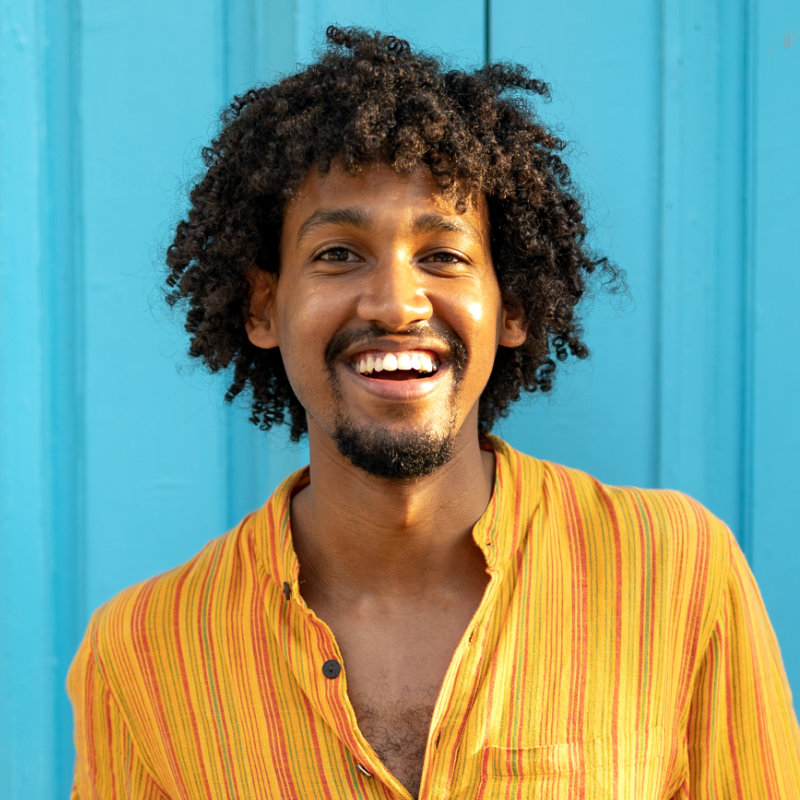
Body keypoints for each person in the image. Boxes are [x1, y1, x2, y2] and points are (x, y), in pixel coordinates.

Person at [67, 26, 800, 799]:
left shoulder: (676, 574)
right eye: (337, 254)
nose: (395, 305)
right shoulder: (142, 651)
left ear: (512, 307)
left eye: (443, 255)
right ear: (263, 308)